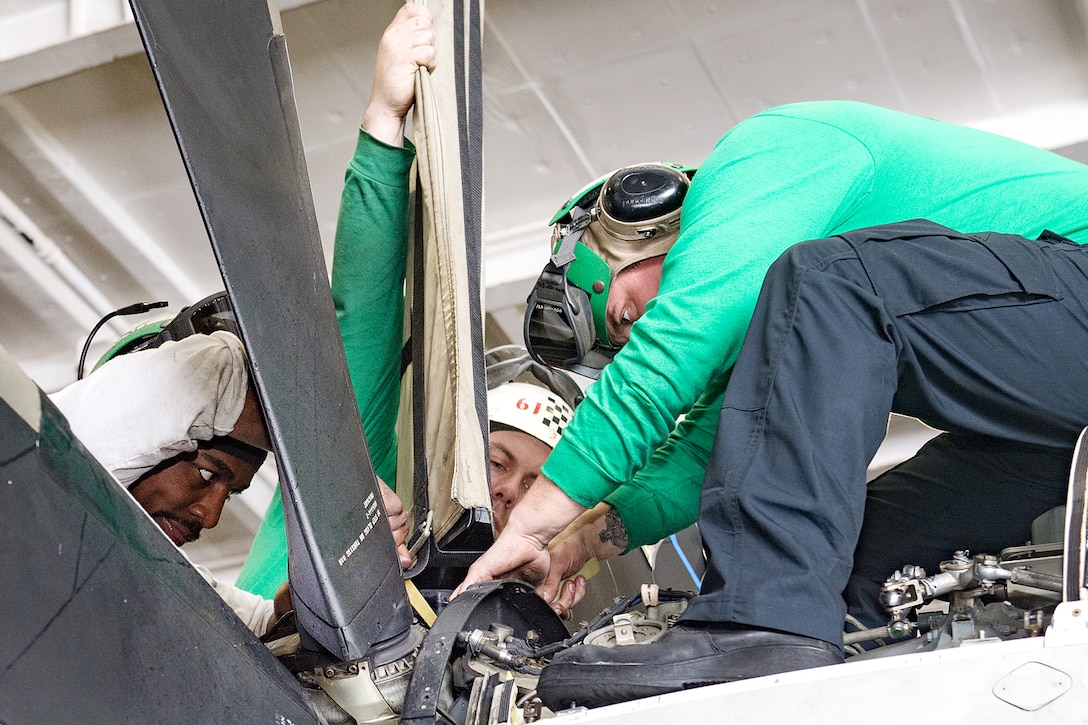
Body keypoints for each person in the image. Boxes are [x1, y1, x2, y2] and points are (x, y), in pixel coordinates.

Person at [455, 101, 1088, 699]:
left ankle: (759, 630)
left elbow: (675, 347)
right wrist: (572, 545)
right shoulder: (779, 327)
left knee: (829, 280)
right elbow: (705, 454)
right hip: (1056, 405)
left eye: (626, 317)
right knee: (850, 563)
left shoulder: (763, 154)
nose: (641, 335)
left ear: (639, 223)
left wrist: (532, 520)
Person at [234, 4, 583, 612]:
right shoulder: (368, 496)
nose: (505, 492)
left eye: (533, 488)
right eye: (497, 463)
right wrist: (384, 127)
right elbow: (360, 328)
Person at [51, 310, 289, 637]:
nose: (210, 517)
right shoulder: (44, 459)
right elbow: (210, 377)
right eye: (206, 474)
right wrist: (334, 473)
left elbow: (257, 629)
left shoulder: (139, 566)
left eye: (231, 493)